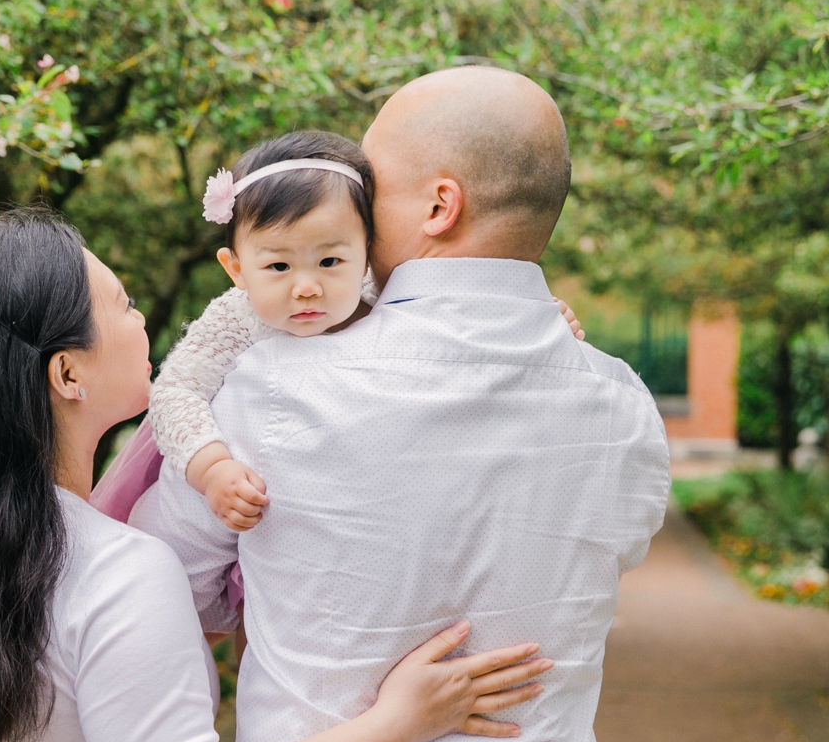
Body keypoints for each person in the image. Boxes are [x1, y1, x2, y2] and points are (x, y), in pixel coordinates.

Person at [0, 208, 555, 742]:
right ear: (67, 374)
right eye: (124, 305)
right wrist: (400, 721)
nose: (143, 323)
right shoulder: (115, 569)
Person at [131, 67, 672, 742]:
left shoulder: (274, 387)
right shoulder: (624, 407)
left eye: (368, 185)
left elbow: (162, 584)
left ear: (439, 206)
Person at [94, 130, 584, 536]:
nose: (306, 287)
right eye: (279, 266)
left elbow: (457, 321)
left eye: (330, 261)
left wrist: (538, 319)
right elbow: (177, 391)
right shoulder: (236, 317)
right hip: (239, 496)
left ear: (367, 252)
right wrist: (213, 469)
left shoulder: (377, 292)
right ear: (236, 268)